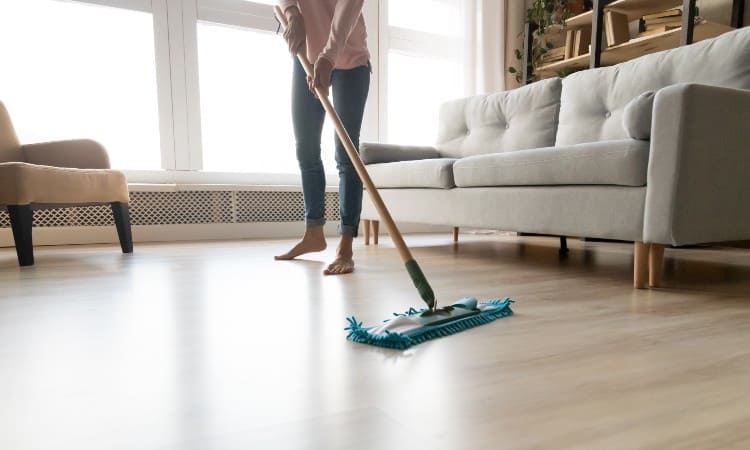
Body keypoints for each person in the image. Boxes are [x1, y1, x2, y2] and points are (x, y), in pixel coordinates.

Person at [274, 0, 370, 276]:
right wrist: (292, 13)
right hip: (307, 56)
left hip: (350, 59)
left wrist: (328, 57)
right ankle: (313, 233)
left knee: (346, 152)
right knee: (305, 147)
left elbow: (349, 8)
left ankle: (346, 245)